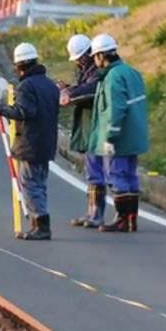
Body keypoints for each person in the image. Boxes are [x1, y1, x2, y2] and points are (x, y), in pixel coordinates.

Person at [0, 42, 60, 240]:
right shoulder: (49, 84)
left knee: (29, 184)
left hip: (30, 144)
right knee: (40, 184)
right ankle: (40, 223)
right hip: (47, 143)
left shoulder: (26, 86)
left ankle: (40, 225)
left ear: (20, 65)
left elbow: (23, 112)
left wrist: (2, 109)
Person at [87, 33, 148, 233]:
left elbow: (115, 109)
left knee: (118, 176)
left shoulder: (112, 77)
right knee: (131, 176)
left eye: (95, 57)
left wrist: (109, 137)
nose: (95, 62)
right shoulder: (132, 72)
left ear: (101, 56)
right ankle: (132, 219)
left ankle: (122, 219)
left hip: (119, 137)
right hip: (135, 135)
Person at [57, 34, 105, 228]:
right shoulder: (86, 69)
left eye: (79, 57)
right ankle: (92, 212)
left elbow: (90, 89)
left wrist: (69, 93)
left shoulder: (98, 71)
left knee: (97, 172)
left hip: (95, 127)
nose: (77, 61)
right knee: (92, 171)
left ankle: (96, 214)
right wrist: (68, 88)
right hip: (89, 127)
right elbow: (82, 87)